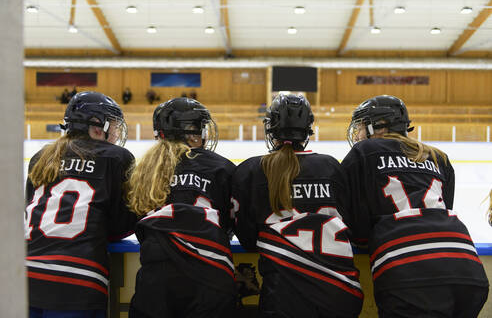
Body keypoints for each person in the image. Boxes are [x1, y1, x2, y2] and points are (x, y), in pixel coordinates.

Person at [341, 95, 489, 317]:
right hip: (467, 266)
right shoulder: (440, 157)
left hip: (409, 271)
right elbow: (441, 210)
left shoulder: (364, 153)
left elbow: (356, 226)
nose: (359, 134)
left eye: (362, 126)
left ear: (378, 126)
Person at [232, 94, 363, 318]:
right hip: (341, 293)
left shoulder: (251, 171)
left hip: (283, 296)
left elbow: (247, 239)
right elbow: (350, 222)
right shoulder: (331, 166)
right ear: (308, 129)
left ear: (270, 128)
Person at [25, 91, 136, 318]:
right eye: (113, 125)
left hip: (25, 276)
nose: (115, 133)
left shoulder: (41, 157)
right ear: (97, 125)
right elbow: (122, 223)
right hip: (77, 281)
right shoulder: (117, 157)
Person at [127, 97, 237, 318]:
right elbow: (229, 223)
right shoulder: (222, 167)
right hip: (210, 274)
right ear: (192, 131)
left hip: (157, 275)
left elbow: (136, 220)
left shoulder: (145, 170)